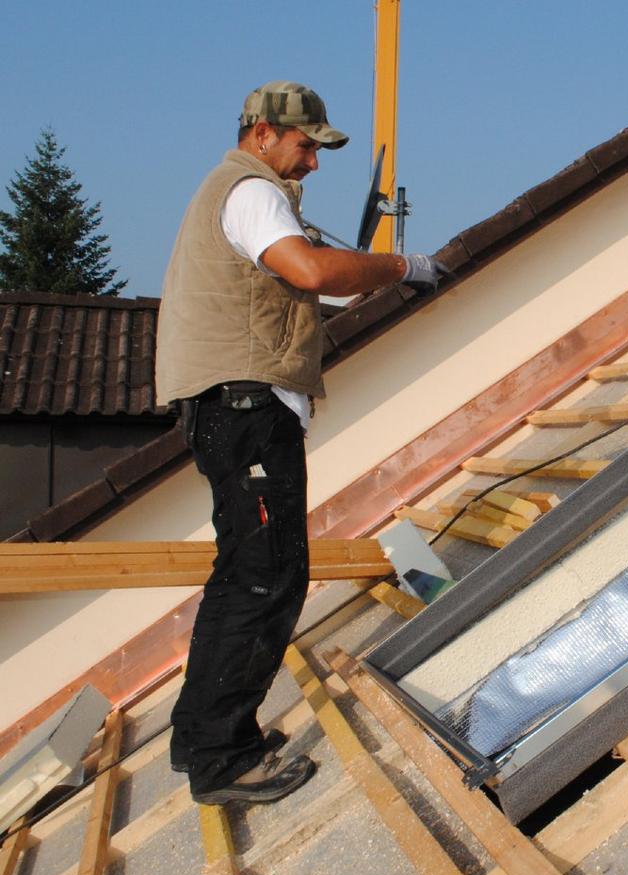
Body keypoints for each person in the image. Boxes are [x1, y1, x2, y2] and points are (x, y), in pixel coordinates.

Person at [155, 80, 448, 805]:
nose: (314, 162)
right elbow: (313, 270)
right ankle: (222, 761)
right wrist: (404, 266)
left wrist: (365, 272)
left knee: (242, 573)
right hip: (247, 407)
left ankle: (201, 739)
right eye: (305, 145)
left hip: (227, 409)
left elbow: (323, 280)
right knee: (269, 576)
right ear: (262, 133)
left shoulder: (238, 194)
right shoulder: (253, 192)